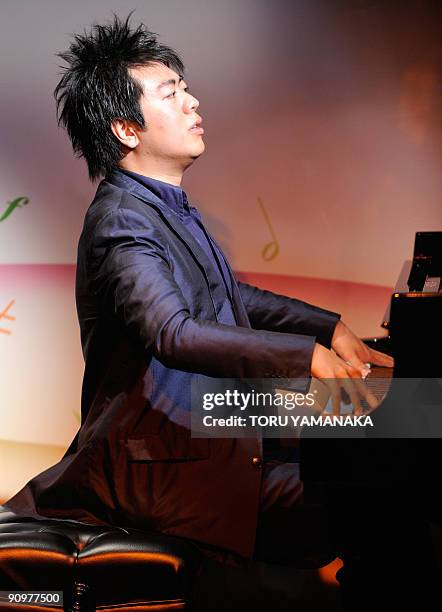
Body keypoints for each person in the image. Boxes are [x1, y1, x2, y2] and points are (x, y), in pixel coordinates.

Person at [4, 14, 394, 607]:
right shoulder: (121, 222)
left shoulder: (162, 205)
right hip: (169, 468)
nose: (193, 102)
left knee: (410, 422)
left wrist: (328, 326)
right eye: (171, 93)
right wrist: (305, 357)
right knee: (380, 494)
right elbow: (172, 331)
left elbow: (233, 300)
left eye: (185, 89)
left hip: (216, 432)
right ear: (126, 129)